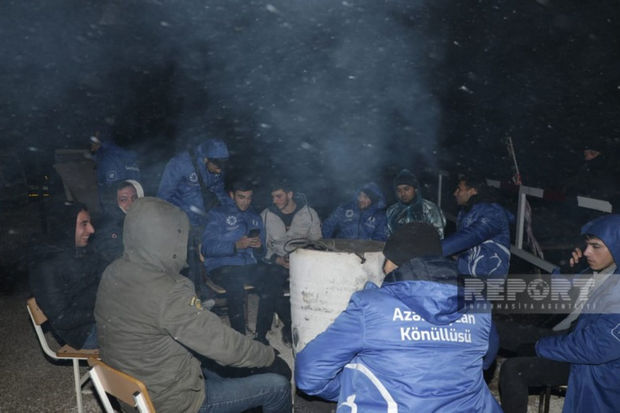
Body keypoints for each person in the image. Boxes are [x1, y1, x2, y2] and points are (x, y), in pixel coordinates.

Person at [95, 197, 291, 413]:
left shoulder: (113, 271)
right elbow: (223, 346)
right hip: (172, 403)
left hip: (131, 389)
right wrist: (268, 356)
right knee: (277, 386)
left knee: (224, 368)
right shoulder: (169, 290)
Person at [295, 223, 501, 412]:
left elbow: (309, 375)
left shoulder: (370, 306)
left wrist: (355, 385)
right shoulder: (478, 305)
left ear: (392, 262)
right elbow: (486, 360)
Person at [499, 214, 620, 413]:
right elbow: (553, 298)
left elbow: (595, 347)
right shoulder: (598, 270)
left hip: (593, 367)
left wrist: (539, 347)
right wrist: (568, 269)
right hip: (572, 337)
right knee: (501, 330)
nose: (587, 251)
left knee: (515, 369)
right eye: (587, 245)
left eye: (596, 246)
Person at [200, 180, 277, 339]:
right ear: (232, 195)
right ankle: (240, 338)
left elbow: (261, 254)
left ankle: (261, 336)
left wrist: (258, 248)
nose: (246, 202)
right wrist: (235, 245)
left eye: (249, 198)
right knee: (235, 286)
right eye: (241, 197)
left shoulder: (255, 217)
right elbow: (206, 248)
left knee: (272, 279)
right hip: (222, 265)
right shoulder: (217, 214)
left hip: (247, 265)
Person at [157, 138, 231, 299]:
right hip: (180, 223)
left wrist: (229, 212)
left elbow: (219, 192)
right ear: (206, 159)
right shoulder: (180, 164)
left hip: (203, 221)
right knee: (188, 263)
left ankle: (204, 296)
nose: (219, 171)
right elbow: (163, 196)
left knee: (206, 257)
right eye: (217, 167)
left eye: (222, 168)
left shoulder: (218, 166)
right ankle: (189, 299)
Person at [29, 200, 104, 349]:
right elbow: (62, 319)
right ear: (66, 227)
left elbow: (108, 276)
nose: (92, 229)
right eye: (84, 224)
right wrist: (104, 310)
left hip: (102, 318)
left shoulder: (84, 252)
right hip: (83, 333)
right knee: (144, 332)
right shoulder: (46, 266)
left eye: (90, 222)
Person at [260, 181, 322, 343]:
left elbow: (318, 243)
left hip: (303, 260)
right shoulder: (266, 215)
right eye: (272, 197)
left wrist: (302, 257)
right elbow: (262, 246)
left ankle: (312, 325)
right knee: (270, 286)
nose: (275, 200)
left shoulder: (308, 214)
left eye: (279, 196)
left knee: (318, 284)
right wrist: (276, 259)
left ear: (290, 194)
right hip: (278, 261)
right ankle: (263, 334)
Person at [441, 173, 512, 277]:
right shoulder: (465, 212)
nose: (455, 193)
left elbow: (471, 236)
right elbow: (466, 245)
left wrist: (436, 248)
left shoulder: (493, 213)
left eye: (459, 189)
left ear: (473, 191)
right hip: (469, 272)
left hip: (488, 278)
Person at [93, 179, 144, 263]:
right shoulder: (110, 227)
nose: (131, 203)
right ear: (114, 201)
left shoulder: (138, 218)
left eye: (134, 198)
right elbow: (115, 257)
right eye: (123, 199)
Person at [386, 168, 446, 238]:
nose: (402, 194)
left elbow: (438, 235)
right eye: (399, 190)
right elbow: (387, 236)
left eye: (406, 189)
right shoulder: (392, 211)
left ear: (416, 189)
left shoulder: (429, 209)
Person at [90, 135, 140, 212]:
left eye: (92, 144)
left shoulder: (109, 158)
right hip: (135, 205)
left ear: (98, 143)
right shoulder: (124, 155)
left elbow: (113, 189)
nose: (91, 148)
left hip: (120, 209)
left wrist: (110, 212)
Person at [321, 182, 387, 241]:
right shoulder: (344, 209)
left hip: (366, 251)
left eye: (365, 197)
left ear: (373, 200)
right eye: (359, 195)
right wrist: (324, 242)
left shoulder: (380, 216)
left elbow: (380, 237)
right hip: (342, 249)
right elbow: (328, 225)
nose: (360, 199)